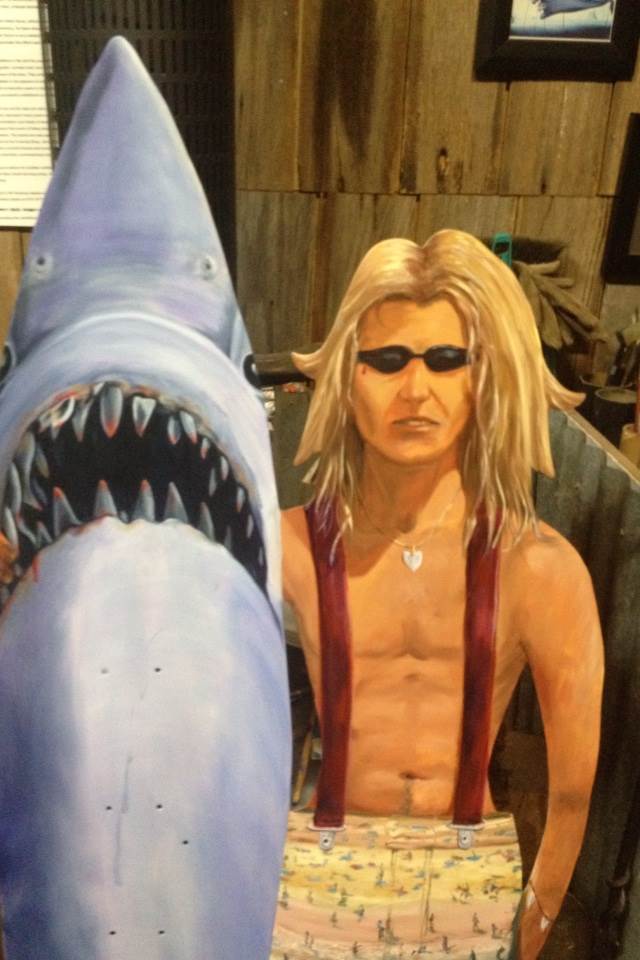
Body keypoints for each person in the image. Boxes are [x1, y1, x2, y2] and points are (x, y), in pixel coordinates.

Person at [280, 229, 603, 960]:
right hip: (326, 866)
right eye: (387, 359)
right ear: (346, 377)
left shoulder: (541, 569)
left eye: (448, 360)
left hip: (468, 871)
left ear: (486, 379)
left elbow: (572, 791)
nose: (416, 390)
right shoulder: (290, 545)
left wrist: (534, 922)